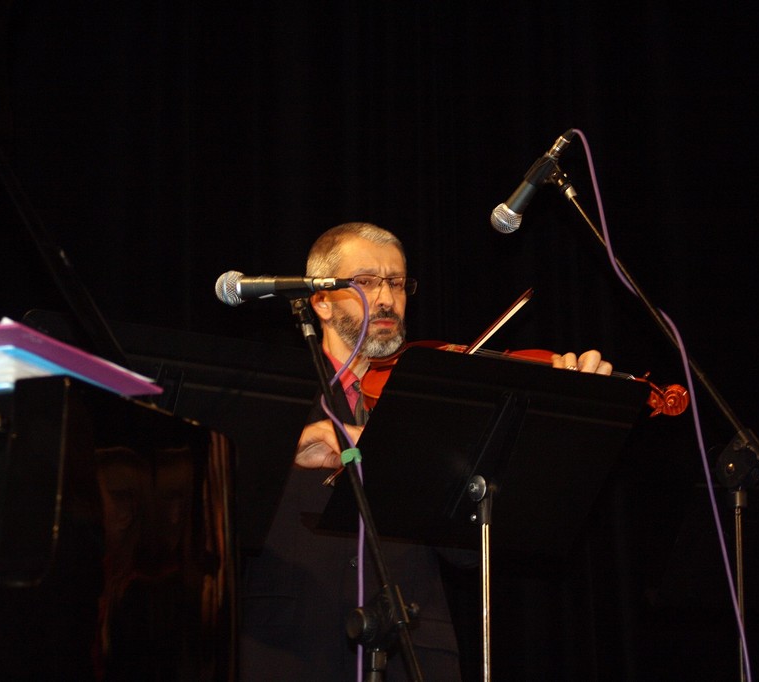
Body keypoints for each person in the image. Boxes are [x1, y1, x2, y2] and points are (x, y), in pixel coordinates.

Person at [238, 222, 613, 681]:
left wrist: (548, 425)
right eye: (365, 282)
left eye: (396, 283)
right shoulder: (270, 394)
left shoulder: (431, 400)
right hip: (289, 650)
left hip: (413, 653)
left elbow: (469, 552)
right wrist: (284, 445)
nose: (386, 299)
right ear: (320, 301)